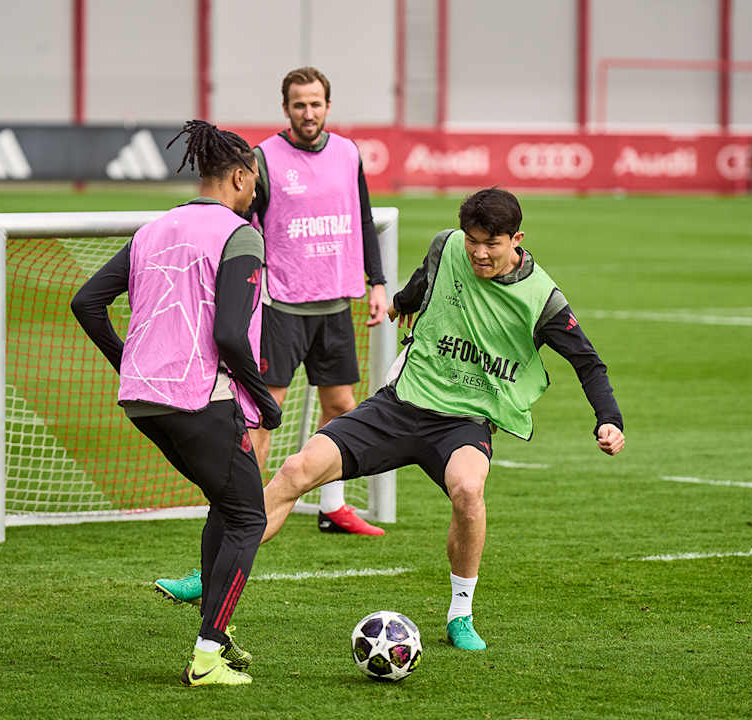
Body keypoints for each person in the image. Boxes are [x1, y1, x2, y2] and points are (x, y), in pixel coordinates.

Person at [258, 188, 624, 651]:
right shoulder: (448, 246)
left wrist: (609, 419)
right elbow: (424, 280)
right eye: (473, 240)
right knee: (296, 469)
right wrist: (400, 302)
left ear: (517, 240)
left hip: (463, 423)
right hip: (398, 406)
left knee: (469, 490)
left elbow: (588, 361)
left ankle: (460, 614)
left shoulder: (542, 298)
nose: (479, 253)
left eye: (491, 244)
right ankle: (216, 571)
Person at [151, 66, 388, 608]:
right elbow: (235, 220)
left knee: (342, 407)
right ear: (286, 109)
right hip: (282, 306)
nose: (309, 112)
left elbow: (364, 219)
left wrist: (377, 282)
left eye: (316, 103)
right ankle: (236, 517)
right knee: (261, 419)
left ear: (328, 106)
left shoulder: (348, 154)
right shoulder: (264, 159)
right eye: (299, 104)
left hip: (336, 305)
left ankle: (332, 506)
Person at [71, 120, 281, 687]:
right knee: (249, 516)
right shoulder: (240, 234)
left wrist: (129, 363)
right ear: (239, 176)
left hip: (144, 400)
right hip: (198, 397)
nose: (256, 190)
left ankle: (218, 632)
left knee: (226, 502)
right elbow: (231, 335)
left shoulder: (153, 229)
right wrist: (265, 400)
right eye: (255, 179)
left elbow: (87, 302)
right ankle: (208, 655)